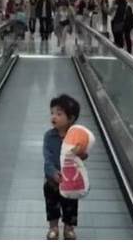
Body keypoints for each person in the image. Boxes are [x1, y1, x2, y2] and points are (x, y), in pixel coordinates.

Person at [43, 94, 87, 240]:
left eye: (59, 114)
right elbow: (47, 158)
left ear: (71, 118)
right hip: (53, 180)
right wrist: (53, 173)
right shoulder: (49, 137)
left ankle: (69, 227)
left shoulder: (76, 137)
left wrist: (82, 154)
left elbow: (81, 155)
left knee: (71, 204)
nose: (54, 117)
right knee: (52, 204)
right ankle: (53, 227)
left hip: (71, 179)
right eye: (52, 113)